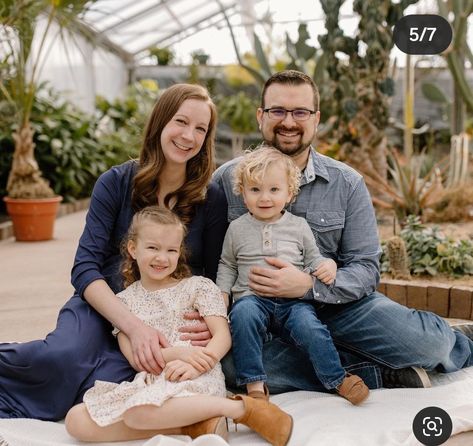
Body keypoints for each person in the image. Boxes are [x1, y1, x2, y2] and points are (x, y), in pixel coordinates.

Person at [213, 70, 473, 394]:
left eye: (300, 112)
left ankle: (457, 340)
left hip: (340, 309)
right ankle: (376, 372)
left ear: (316, 119)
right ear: (260, 116)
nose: (289, 122)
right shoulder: (226, 181)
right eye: (277, 111)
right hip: (258, 313)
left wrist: (308, 286)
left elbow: (366, 268)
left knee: (431, 346)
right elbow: (215, 263)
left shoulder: (346, 183)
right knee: (232, 366)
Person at [0, 83, 229, 422]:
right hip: (104, 303)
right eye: (181, 122)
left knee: (113, 379)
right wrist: (133, 327)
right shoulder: (116, 182)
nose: (188, 136)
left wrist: (210, 318)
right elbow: (84, 268)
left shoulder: (210, 198)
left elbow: (214, 273)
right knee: (60, 358)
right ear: (161, 122)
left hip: (167, 315)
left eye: (200, 128)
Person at [65, 206, 293, 446]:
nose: (162, 258)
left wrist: (201, 361)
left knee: (137, 413)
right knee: (76, 420)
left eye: (171, 250)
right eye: (153, 247)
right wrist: (178, 353)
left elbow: (222, 335)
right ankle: (196, 424)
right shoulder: (122, 303)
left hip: (197, 375)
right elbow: (135, 358)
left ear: (180, 253)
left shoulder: (198, 286)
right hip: (153, 382)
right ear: (133, 249)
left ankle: (241, 408)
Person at [216, 146, 369, 405]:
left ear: (290, 194)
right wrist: (222, 297)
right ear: (243, 194)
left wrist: (328, 266)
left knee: (311, 327)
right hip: (251, 298)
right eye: (255, 190)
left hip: (293, 302)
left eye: (274, 190)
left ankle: (338, 379)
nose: (265, 198)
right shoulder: (237, 228)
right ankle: (254, 387)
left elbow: (314, 258)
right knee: (242, 317)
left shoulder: (298, 226)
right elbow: (228, 264)